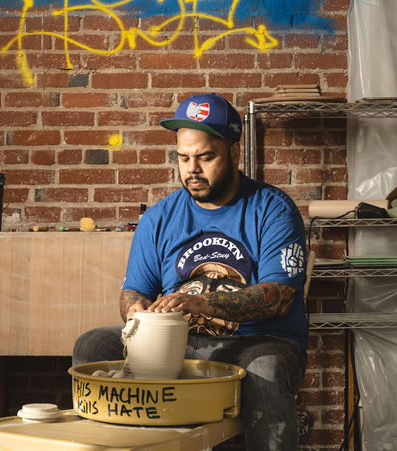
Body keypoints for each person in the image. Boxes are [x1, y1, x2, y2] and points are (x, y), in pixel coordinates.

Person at [72, 93, 307, 450]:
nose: (191, 169)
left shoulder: (272, 209)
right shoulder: (159, 218)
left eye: (205, 157)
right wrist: (139, 317)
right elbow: (133, 291)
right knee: (94, 344)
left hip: (257, 342)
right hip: (177, 343)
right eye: (183, 158)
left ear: (233, 152)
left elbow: (280, 297)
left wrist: (200, 304)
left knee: (266, 370)